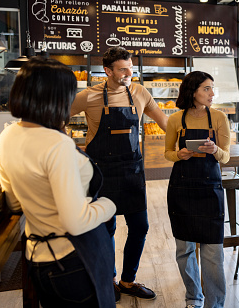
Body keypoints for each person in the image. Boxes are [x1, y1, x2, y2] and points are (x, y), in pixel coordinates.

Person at [0, 57, 117, 308]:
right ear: (57, 98)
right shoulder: (56, 144)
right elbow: (76, 222)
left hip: (39, 258)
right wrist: (108, 205)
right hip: (75, 260)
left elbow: (15, 202)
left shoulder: (7, 135)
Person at [70, 47, 168, 301]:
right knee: (106, 229)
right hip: (101, 172)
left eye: (130, 68)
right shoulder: (87, 96)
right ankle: (109, 280)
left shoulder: (139, 92)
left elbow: (165, 123)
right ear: (108, 71)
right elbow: (57, 117)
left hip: (132, 170)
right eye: (122, 69)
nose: (128, 73)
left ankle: (128, 281)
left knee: (140, 226)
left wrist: (187, 143)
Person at [164, 71, 231, 308]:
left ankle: (215, 304)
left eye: (212, 88)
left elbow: (225, 157)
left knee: (213, 253)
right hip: (181, 189)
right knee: (184, 250)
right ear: (192, 91)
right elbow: (168, 153)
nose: (212, 93)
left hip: (210, 190)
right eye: (207, 89)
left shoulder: (219, 118)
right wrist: (179, 154)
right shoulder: (175, 120)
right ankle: (193, 298)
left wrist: (214, 150)